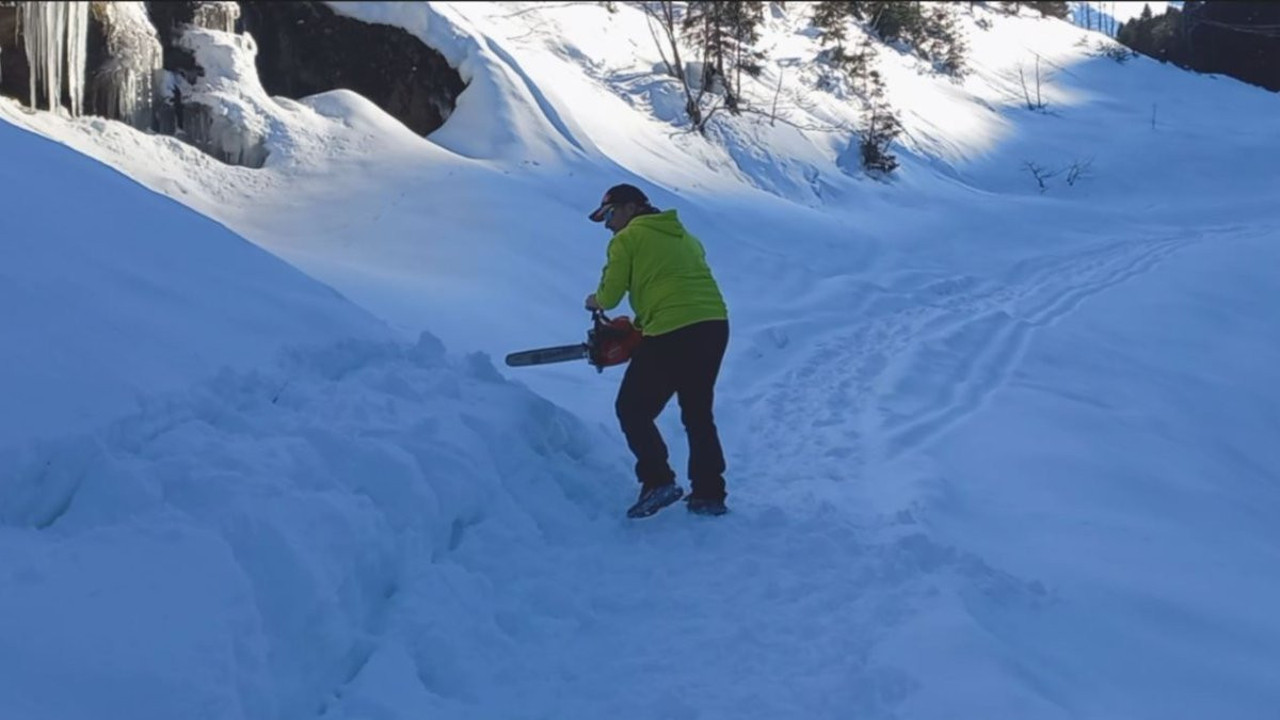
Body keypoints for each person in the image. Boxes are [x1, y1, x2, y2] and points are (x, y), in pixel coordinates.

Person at [583, 183, 731, 518]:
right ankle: (709, 493)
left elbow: (609, 296)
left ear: (631, 208)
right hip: (713, 324)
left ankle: (658, 481)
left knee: (632, 408)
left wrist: (594, 301)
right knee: (697, 411)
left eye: (609, 214)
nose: (608, 225)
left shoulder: (628, 239)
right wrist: (642, 325)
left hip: (673, 330)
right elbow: (671, 286)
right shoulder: (684, 236)